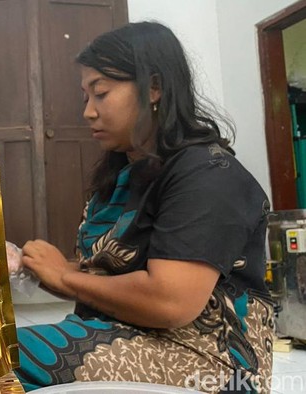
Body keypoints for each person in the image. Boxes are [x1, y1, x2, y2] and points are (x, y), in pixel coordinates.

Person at [14, 21, 274, 394]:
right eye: (85, 96)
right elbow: (107, 275)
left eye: (100, 93)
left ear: (154, 87)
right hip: (124, 332)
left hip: (205, 355)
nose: (87, 111)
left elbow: (171, 301)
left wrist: (64, 277)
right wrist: (35, 267)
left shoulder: (209, 174)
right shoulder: (124, 172)